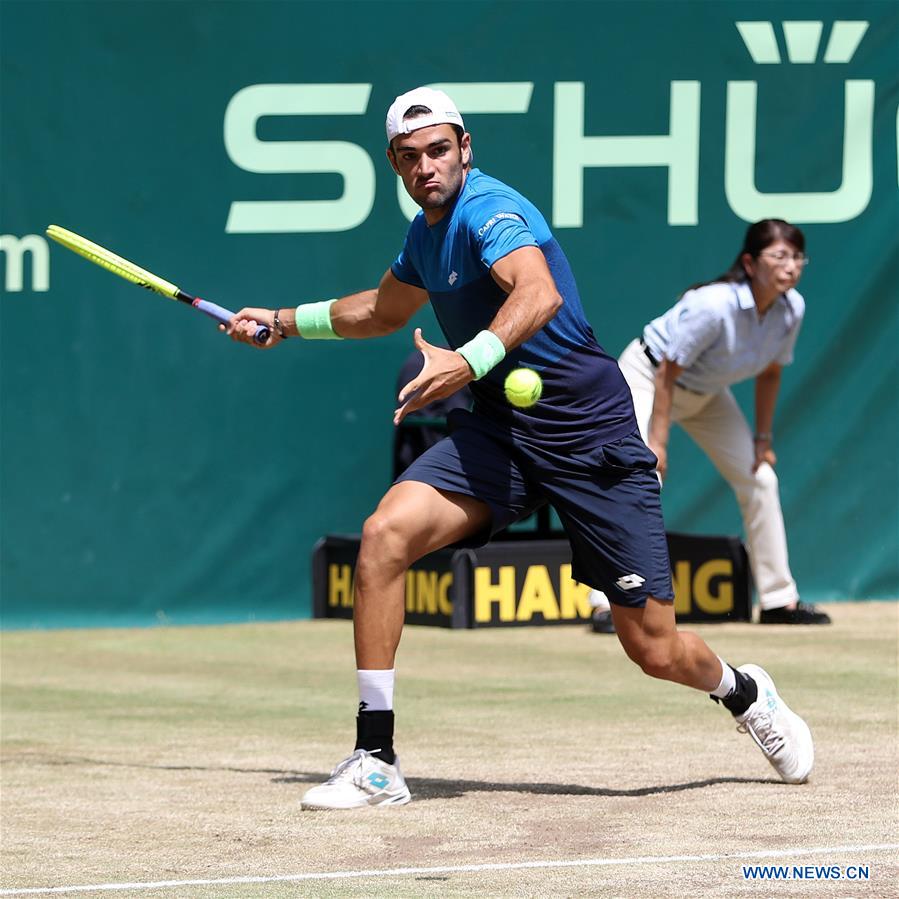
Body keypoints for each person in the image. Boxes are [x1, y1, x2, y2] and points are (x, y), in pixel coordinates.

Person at [225, 88, 815, 810]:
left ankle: (744, 691)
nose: (426, 166)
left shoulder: (490, 210)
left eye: (439, 149)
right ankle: (375, 757)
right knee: (383, 537)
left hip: (588, 436)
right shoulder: (424, 234)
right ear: (394, 165)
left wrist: (464, 361)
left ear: (465, 147)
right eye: (409, 157)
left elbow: (535, 294)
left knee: (653, 646)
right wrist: (284, 321)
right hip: (498, 434)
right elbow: (380, 310)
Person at [590, 220, 830, 635]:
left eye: (796, 257)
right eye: (780, 256)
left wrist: (763, 439)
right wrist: (659, 443)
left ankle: (777, 600)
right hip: (647, 377)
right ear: (751, 264)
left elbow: (770, 374)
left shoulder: (793, 310)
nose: (790, 266)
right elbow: (667, 369)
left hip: (706, 394)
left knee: (761, 479)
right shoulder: (714, 305)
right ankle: (606, 602)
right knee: (641, 480)